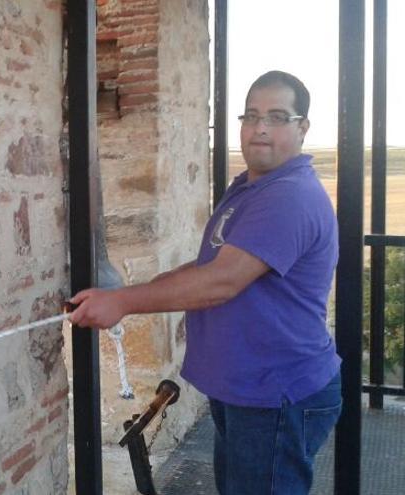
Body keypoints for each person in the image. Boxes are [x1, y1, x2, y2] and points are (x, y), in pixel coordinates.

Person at [69, 70, 342, 495]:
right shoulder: (251, 188)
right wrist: (123, 294)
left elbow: (221, 282)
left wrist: (123, 301)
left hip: (275, 395)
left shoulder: (288, 196)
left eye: (277, 117)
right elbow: (208, 264)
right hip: (248, 390)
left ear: (303, 127)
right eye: (251, 116)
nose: (260, 128)